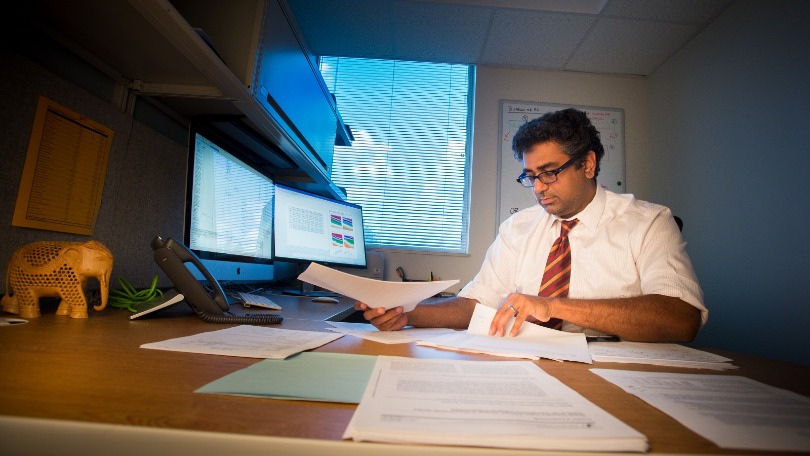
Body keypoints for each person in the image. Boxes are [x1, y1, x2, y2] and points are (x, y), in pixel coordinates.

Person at [355, 108, 706, 342]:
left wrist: (552, 306)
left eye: (549, 172)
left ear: (587, 164)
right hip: (526, 361)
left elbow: (680, 318)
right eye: (530, 176)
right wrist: (407, 314)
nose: (538, 187)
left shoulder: (648, 222)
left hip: (618, 369)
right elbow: (476, 304)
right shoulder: (516, 229)